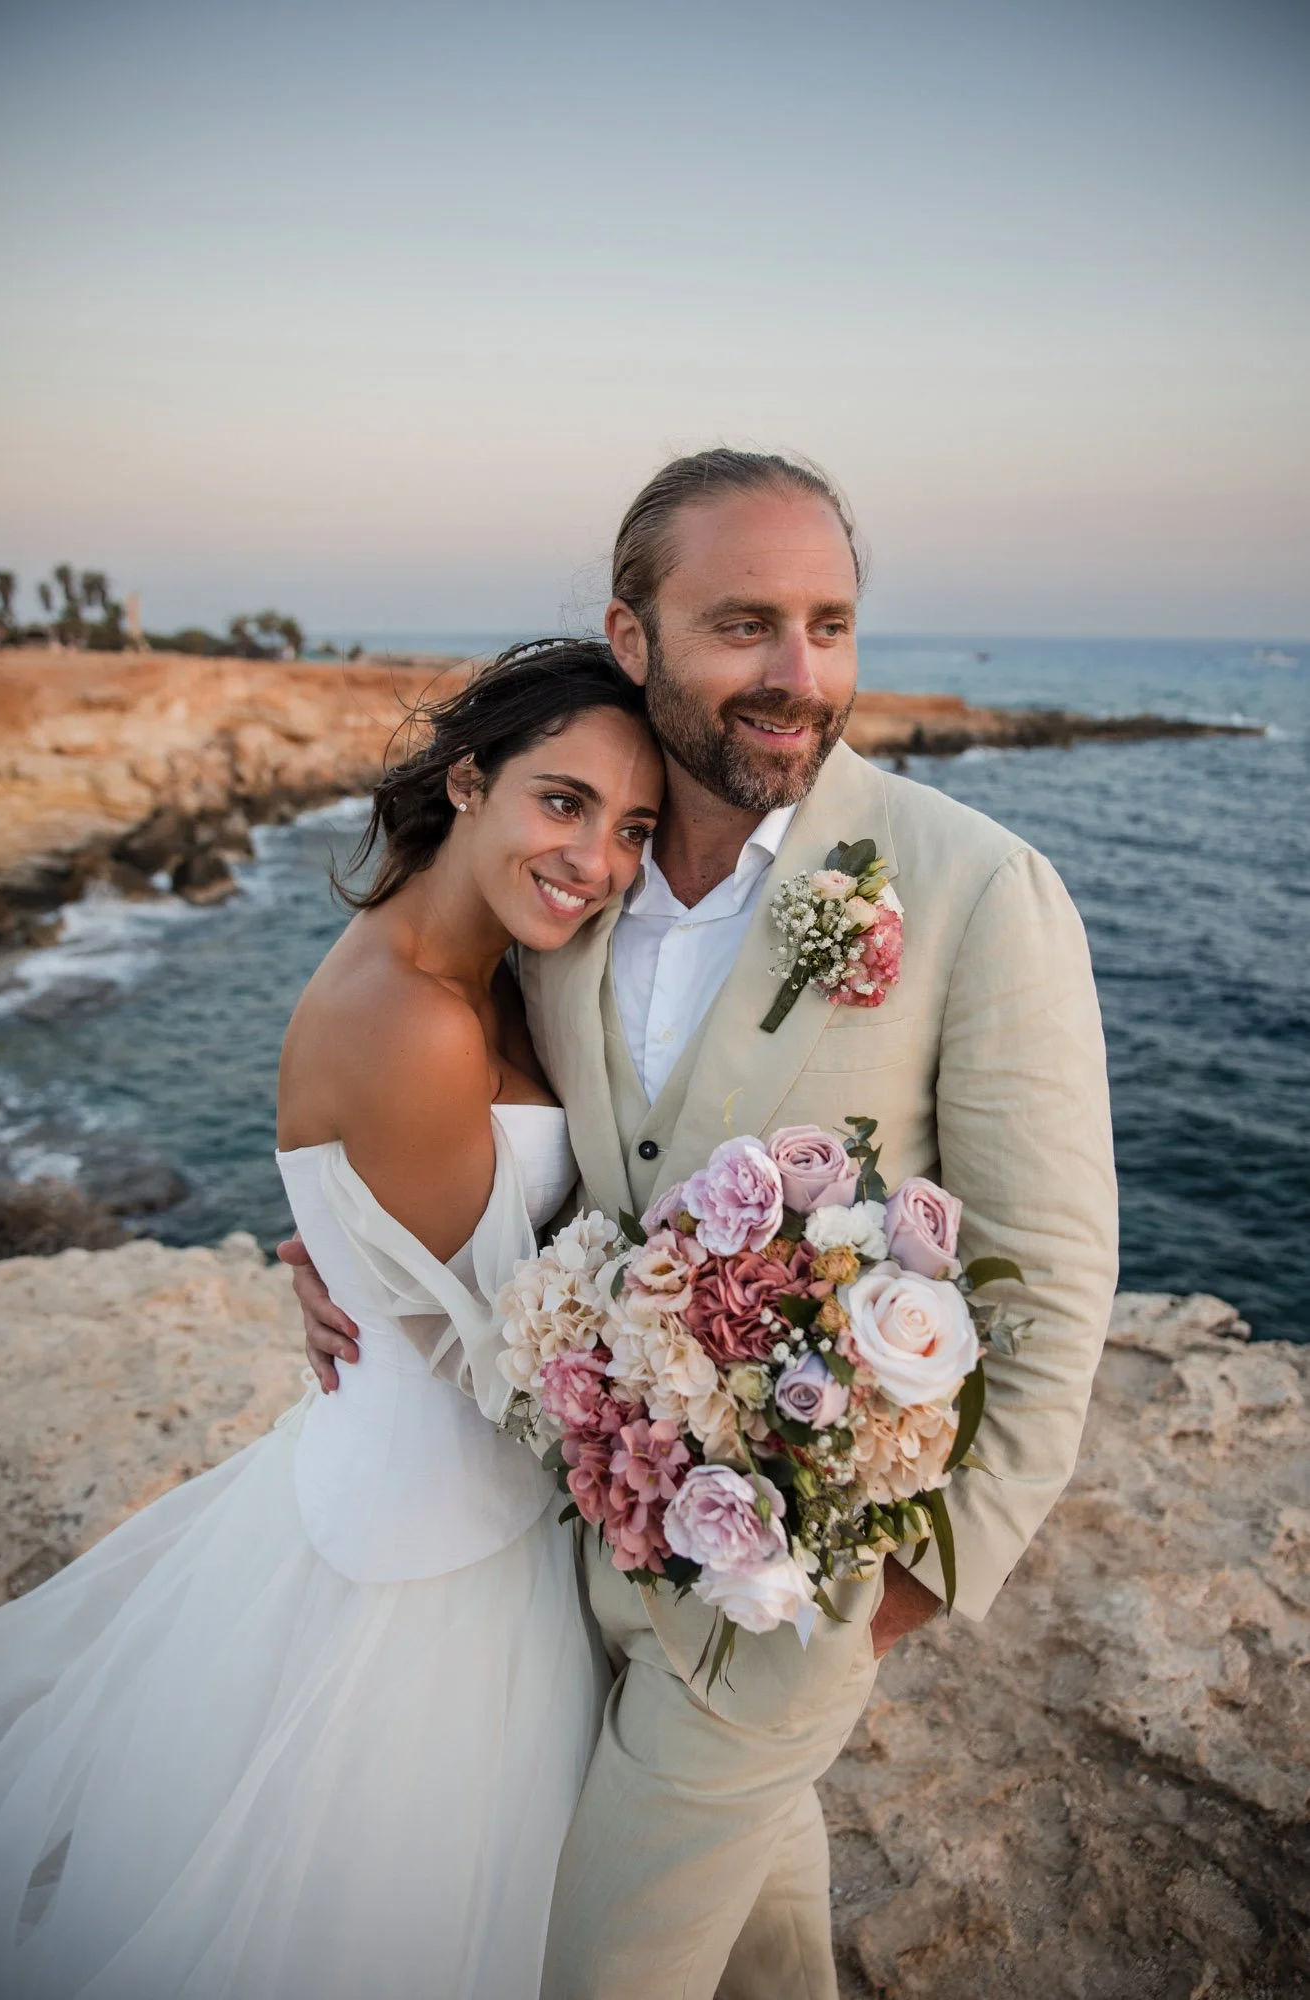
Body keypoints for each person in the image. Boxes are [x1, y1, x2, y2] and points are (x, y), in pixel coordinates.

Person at [299, 449, 1119, 1999]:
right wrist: (343, 1241)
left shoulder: (970, 888)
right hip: (574, 1553)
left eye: (831, 623)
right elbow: (480, 1139)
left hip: (791, 1603)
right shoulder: (572, 890)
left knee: (598, 1963)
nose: (797, 675)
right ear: (635, 638)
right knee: (760, 1940)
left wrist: (902, 1591)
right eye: (744, 624)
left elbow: (1054, 1277)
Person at [0, 641, 665, 1999]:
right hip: (442, 1547)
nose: (598, 861)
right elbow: (505, 1363)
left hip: (418, 1482)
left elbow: (431, 1258)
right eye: (564, 802)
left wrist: (348, 1255)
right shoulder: (417, 1016)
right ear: (470, 781)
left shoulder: (482, 965)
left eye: (635, 828)